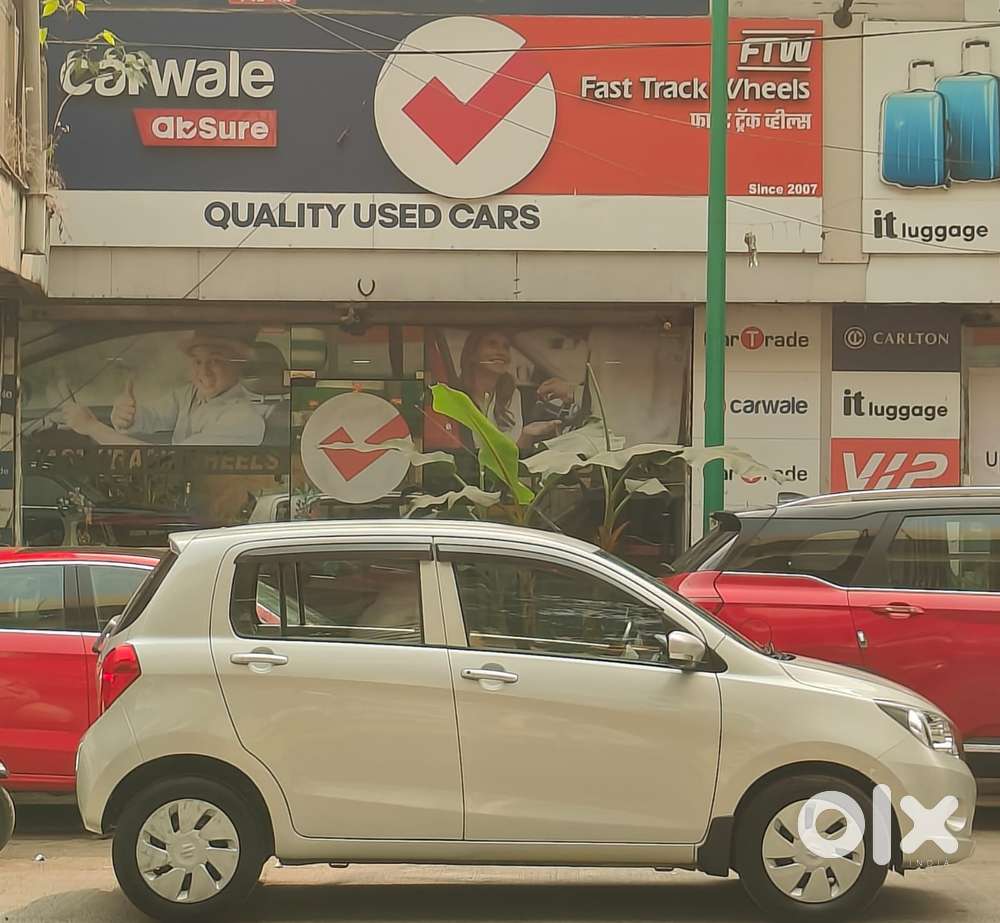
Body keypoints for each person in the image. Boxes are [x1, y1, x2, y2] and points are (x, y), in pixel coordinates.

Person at [62, 328, 266, 447]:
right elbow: (155, 414)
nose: (203, 373)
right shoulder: (190, 395)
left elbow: (169, 459)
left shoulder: (243, 419)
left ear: (238, 365)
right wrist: (128, 415)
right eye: (197, 362)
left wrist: (92, 427)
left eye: (215, 361)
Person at [458, 329, 564, 452]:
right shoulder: (455, 397)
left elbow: (513, 455)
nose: (501, 352)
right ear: (472, 354)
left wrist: (527, 435)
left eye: (506, 347)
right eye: (492, 344)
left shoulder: (516, 396)